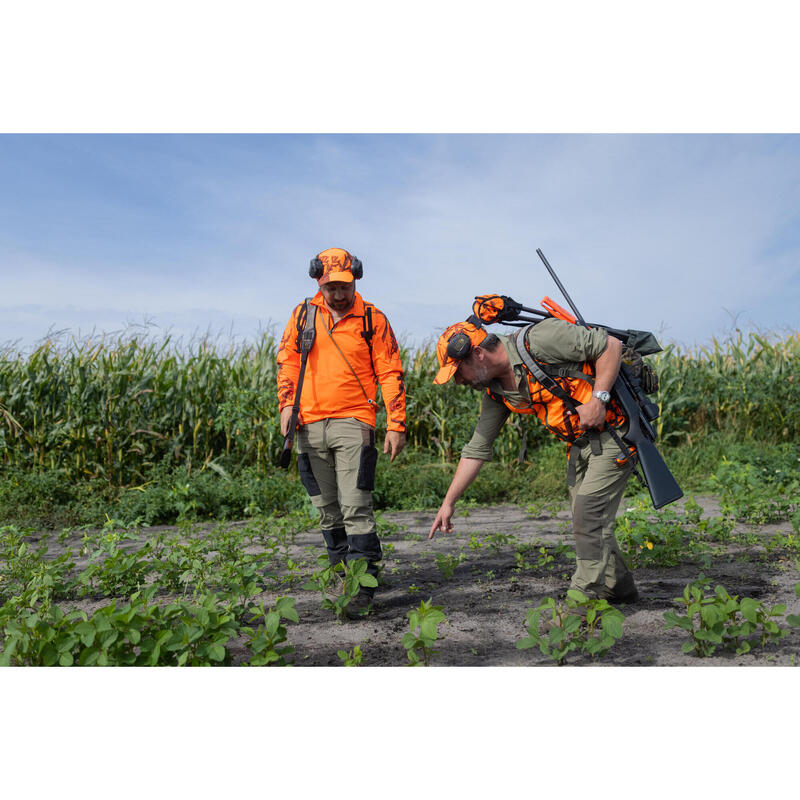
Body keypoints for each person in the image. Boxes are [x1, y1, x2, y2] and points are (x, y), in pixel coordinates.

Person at [428, 315, 639, 604]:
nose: (460, 381)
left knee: (588, 516)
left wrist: (598, 400)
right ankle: (621, 589)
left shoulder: (540, 340)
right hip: (581, 446)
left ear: (478, 354)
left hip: (615, 434)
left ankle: (580, 605)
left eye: (459, 372)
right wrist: (448, 502)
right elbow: (477, 447)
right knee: (587, 519)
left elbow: (610, 346)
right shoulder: (497, 392)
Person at [277, 247, 407, 617]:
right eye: (331, 286)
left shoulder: (373, 319)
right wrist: (287, 405)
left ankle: (362, 587)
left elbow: (390, 371)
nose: (338, 293)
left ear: (355, 280)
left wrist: (396, 424)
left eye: (344, 286)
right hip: (309, 424)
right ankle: (341, 573)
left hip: (355, 422)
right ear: (319, 281)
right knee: (327, 510)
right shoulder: (303, 315)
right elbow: (287, 360)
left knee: (355, 507)